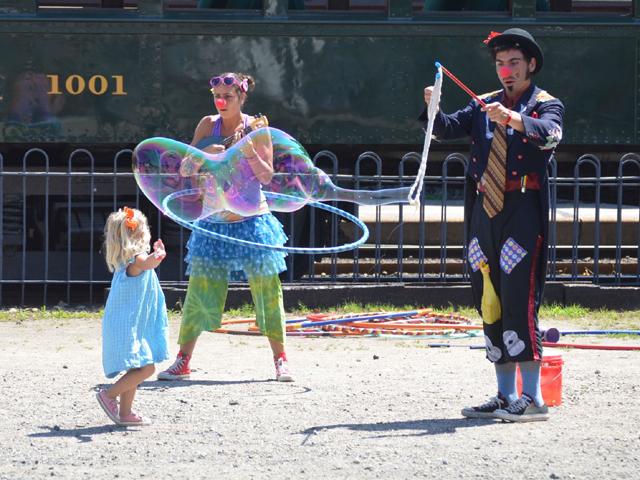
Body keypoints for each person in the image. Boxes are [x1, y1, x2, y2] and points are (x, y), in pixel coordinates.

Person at [421, 28, 564, 422]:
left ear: (531, 65)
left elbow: (551, 135)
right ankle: (503, 395)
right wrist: (433, 110)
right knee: (490, 297)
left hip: (522, 211)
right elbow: (448, 129)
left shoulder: (546, 105)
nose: (506, 70)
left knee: (520, 297)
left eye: (514, 62)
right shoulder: (482, 104)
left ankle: (532, 399)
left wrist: (514, 119)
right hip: (486, 211)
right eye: (501, 63)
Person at [157, 72, 294, 383]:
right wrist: (203, 158)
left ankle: (281, 360)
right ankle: (183, 360)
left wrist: (249, 153)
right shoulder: (207, 126)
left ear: (241, 98)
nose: (221, 101)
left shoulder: (257, 130)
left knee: (268, 294)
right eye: (217, 96)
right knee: (199, 293)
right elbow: (185, 168)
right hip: (215, 223)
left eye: (227, 97)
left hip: (251, 222)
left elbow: (267, 177)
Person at [97, 207, 170, 426]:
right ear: (138, 234)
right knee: (147, 368)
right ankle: (108, 396)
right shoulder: (137, 260)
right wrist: (158, 255)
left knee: (135, 368)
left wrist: (153, 257)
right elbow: (147, 263)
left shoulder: (124, 262)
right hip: (129, 326)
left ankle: (125, 413)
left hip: (125, 324)